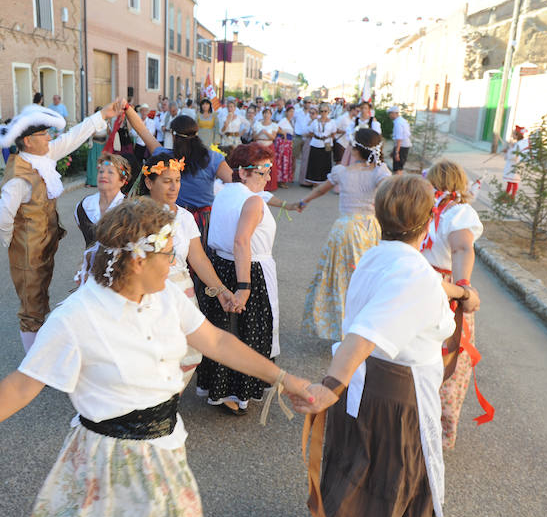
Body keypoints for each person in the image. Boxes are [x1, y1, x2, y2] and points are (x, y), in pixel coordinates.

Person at [0, 197, 316, 517]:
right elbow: (22, 385)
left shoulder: (166, 297)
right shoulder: (77, 317)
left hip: (166, 454)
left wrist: (284, 378)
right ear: (138, 260)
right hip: (103, 466)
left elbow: (215, 341)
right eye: (167, 253)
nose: (173, 260)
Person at [297, 175, 455, 517]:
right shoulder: (414, 275)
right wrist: (330, 384)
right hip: (394, 393)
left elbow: (405, 294)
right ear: (428, 222)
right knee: (387, 481)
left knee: (357, 466)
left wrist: (457, 291)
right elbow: (365, 333)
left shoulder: (379, 257)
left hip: (365, 386)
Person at [0, 99, 123, 351]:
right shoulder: (18, 177)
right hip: (27, 250)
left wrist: (103, 115)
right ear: (28, 140)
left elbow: (73, 137)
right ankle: (35, 364)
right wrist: (15, 243)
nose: (50, 137)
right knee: (31, 308)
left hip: (42, 245)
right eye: (44, 134)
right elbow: (2, 221)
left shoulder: (43, 156)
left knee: (40, 299)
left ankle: (42, 351)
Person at [137, 153, 238, 385]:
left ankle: (168, 405)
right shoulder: (135, 215)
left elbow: (199, 259)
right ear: (149, 182)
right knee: (150, 353)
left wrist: (221, 291)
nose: (174, 187)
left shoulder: (184, 217)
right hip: (147, 293)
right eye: (167, 181)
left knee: (188, 353)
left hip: (181, 291)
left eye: (178, 180)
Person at [197, 143, 282, 415]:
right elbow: (241, 241)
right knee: (245, 331)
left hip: (220, 265)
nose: (268, 177)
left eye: (269, 170)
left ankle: (220, 388)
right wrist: (244, 286)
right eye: (263, 171)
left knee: (224, 327)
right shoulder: (252, 200)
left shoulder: (223, 193)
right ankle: (236, 392)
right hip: (247, 269)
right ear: (243, 173)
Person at [299, 128, 390, 341]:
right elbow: (388, 190)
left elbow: (321, 189)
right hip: (370, 229)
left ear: (355, 149)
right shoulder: (380, 172)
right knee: (368, 278)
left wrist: (304, 201)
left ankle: (342, 327)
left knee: (342, 279)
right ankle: (366, 328)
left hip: (346, 229)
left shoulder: (343, 172)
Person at [421, 159, 484, 449]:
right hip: (431, 287)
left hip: (436, 289)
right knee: (434, 357)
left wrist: (462, 288)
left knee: (441, 357)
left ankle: (430, 425)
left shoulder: (454, 213)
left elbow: (462, 248)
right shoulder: (433, 210)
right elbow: (460, 248)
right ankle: (422, 422)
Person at [124, 109, 233, 239]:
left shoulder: (165, 158)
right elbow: (235, 183)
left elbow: (142, 131)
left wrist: (127, 108)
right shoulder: (212, 158)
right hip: (204, 221)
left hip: (172, 219)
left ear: (174, 136)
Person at [75, 152, 131, 247]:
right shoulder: (83, 206)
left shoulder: (129, 209)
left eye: (110, 172)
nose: (103, 175)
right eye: (101, 171)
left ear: (122, 180)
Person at [304, 103, 337, 186]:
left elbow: (333, 133)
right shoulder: (315, 121)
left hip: (326, 144)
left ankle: (324, 182)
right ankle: (315, 182)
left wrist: (328, 140)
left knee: (325, 163)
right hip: (316, 143)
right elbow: (310, 132)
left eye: (325, 111)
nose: (323, 113)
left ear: (328, 112)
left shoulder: (332, 122)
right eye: (321, 111)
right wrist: (317, 137)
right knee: (315, 163)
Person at [251, 108, 279, 191]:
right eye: (265, 113)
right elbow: (254, 137)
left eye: (268, 113)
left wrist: (266, 133)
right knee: (258, 165)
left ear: (271, 115)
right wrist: (260, 133)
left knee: (269, 165)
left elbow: (273, 137)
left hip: (269, 144)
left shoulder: (274, 125)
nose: (266, 115)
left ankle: (270, 185)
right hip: (259, 145)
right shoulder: (257, 124)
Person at [502, 125, 528, 198]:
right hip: (515, 164)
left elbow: (514, 155)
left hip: (514, 165)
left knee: (512, 181)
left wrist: (508, 151)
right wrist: (508, 150)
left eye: (513, 133)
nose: (512, 135)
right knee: (511, 181)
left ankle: (511, 196)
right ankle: (508, 195)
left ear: (517, 135)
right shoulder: (518, 143)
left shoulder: (518, 144)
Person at [85, 106, 107, 186]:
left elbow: (109, 132)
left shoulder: (106, 122)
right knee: (93, 163)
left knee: (102, 163)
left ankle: (102, 181)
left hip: (103, 144)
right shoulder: (93, 122)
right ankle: (92, 182)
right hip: (95, 144)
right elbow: (90, 133)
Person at [274, 106, 296, 188]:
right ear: (286, 112)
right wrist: (284, 133)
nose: (291, 114)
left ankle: (283, 180)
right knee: (282, 161)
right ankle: (280, 180)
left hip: (288, 143)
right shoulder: (283, 120)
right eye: (290, 111)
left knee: (286, 161)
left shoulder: (291, 121)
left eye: (293, 112)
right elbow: (277, 128)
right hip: (283, 143)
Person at [390, 105, 411, 173]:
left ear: (395, 113)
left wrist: (397, 152)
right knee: (399, 168)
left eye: (390, 113)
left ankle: (398, 182)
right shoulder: (401, 120)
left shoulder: (398, 123)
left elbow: (399, 138)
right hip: (404, 146)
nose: (389, 115)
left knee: (397, 169)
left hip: (401, 146)